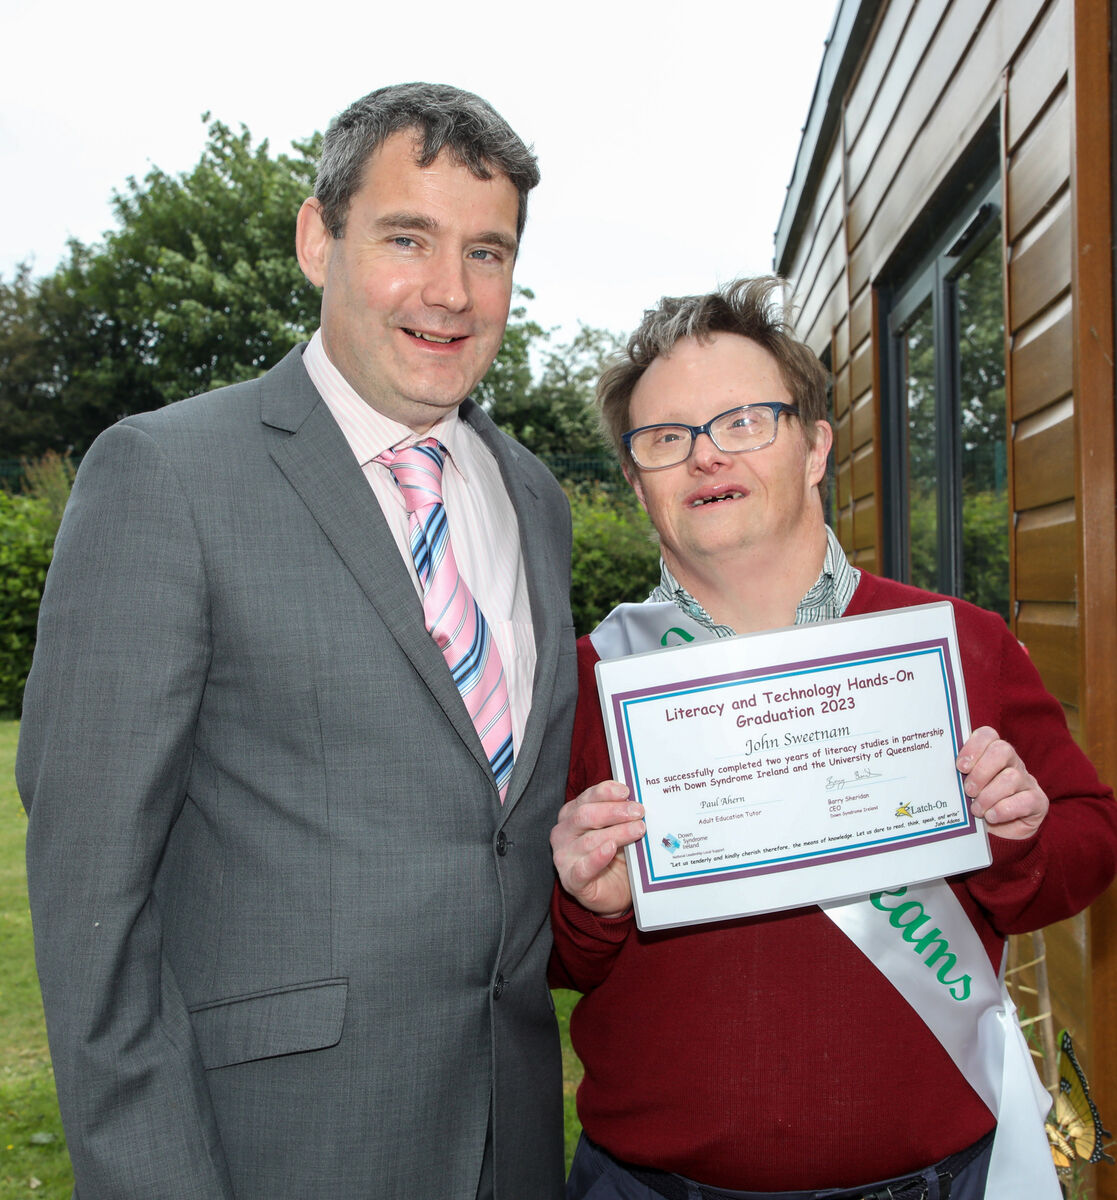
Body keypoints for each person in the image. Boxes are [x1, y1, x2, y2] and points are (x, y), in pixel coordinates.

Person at [18, 82, 576, 1200]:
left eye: (488, 251)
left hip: (508, 1142)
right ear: (318, 237)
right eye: (406, 238)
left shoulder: (533, 495)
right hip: (270, 1148)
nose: (450, 293)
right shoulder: (165, 475)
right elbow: (92, 903)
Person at [549, 276, 1117, 1200]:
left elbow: (1088, 844)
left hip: (933, 1180)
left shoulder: (955, 644)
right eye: (664, 439)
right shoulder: (584, 683)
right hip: (649, 1188)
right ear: (634, 476)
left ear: (813, 445)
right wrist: (589, 903)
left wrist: (1014, 836)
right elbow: (543, 956)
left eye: (742, 421)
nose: (703, 457)